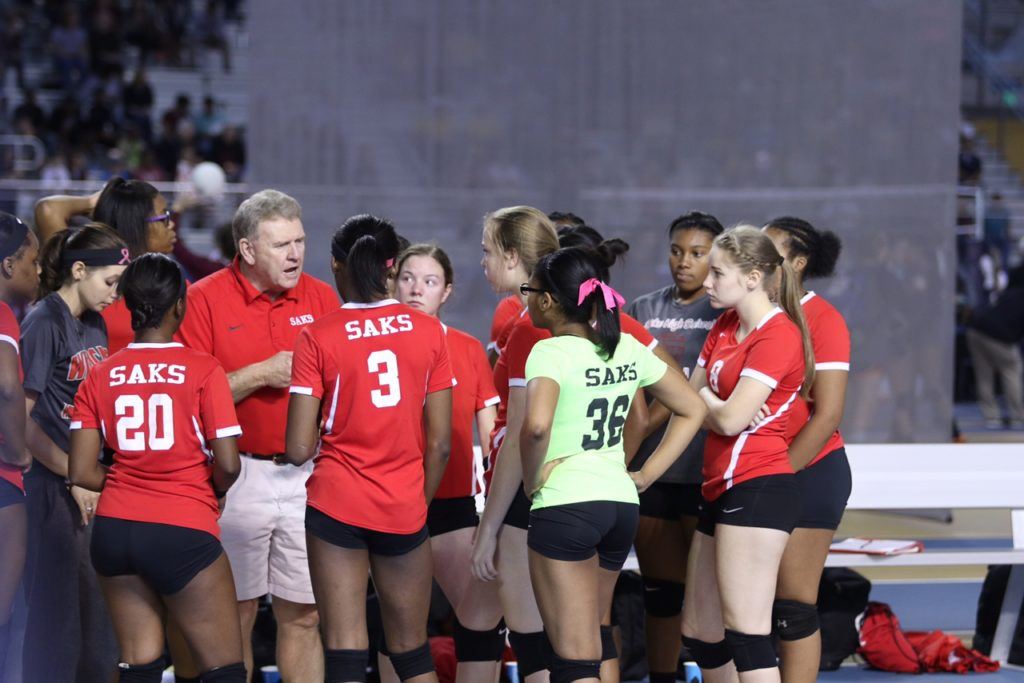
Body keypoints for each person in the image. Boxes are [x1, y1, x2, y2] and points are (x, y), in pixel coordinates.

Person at [521, 246, 707, 683]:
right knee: (591, 640)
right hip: (619, 504)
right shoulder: (625, 346)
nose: (525, 298)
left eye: (530, 290)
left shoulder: (549, 353)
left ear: (548, 301)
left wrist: (533, 481)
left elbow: (535, 428)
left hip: (564, 504)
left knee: (571, 658)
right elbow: (692, 409)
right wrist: (645, 474)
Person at [176, 189, 338, 682]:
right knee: (236, 616)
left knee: (305, 615)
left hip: (307, 475)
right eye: (281, 245)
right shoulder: (202, 299)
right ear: (247, 249)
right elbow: (190, 397)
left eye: (300, 241)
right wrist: (262, 373)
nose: (295, 254)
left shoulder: (321, 296)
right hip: (236, 475)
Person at [285, 215, 453, 683]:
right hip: (403, 506)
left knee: (343, 650)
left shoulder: (316, 335)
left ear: (336, 265)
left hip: (336, 504)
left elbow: (298, 448)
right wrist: (415, 506)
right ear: (391, 266)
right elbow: (440, 443)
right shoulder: (428, 331)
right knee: (411, 650)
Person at [67, 254, 247, 683]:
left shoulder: (101, 374)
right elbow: (228, 464)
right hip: (182, 526)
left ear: (127, 303)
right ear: (180, 305)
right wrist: (211, 491)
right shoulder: (204, 369)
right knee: (225, 671)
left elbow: (80, 471)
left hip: (115, 530)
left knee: (139, 666)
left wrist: (132, 483)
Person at [682, 226, 814, 683]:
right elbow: (689, 396)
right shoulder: (725, 324)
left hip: (758, 485)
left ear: (754, 277)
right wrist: (713, 406)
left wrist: (710, 406)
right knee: (699, 629)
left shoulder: (779, 335)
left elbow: (728, 420)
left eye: (718, 273)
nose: (707, 282)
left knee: (747, 634)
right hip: (719, 484)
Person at [20, 223, 128, 682]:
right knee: (58, 621)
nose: (115, 295)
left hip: (85, 479)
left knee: (96, 619)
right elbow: (20, 422)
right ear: (78, 269)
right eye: (109, 282)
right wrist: (74, 475)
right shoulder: (44, 321)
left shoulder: (95, 322)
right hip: (53, 483)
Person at [392, 244, 504, 683]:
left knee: (483, 622)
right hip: (391, 505)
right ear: (392, 283)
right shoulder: (374, 345)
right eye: (407, 278)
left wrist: (495, 512)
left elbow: (491, 431)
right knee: (396, 630)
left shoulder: (467, 348)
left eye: (430, 281)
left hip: (453, 505)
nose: (416, 289)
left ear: (448, 291)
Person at [625, 211, 724, 683]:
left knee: (711, 601)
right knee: (661, 594)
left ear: (716, 256)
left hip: (706, 472)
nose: (684, 262)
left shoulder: (726, 310)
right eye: (677, 250)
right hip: (654, 471)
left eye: (698, 253)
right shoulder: (641, 309)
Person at [763, 217, 851, 682]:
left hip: (809, 473)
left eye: (769, 251)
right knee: (746, 610)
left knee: (792, 605)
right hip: (756, 476)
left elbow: (827, 414)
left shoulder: (822, 318)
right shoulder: (748, 314)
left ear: (797, 263)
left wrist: (777, 474)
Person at [0, 212, 39, 679]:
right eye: (31, 259)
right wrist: (17, 453)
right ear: (8, 265)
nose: (38, 270)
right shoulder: (4, 313)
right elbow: (8, 387)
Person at [965, 265, 1024, 430]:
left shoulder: (1011, 292)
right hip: (999, 335)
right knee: (1012, 370)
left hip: (976, 330)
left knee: (984, 376)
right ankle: (1017, 416)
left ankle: (991, 417)